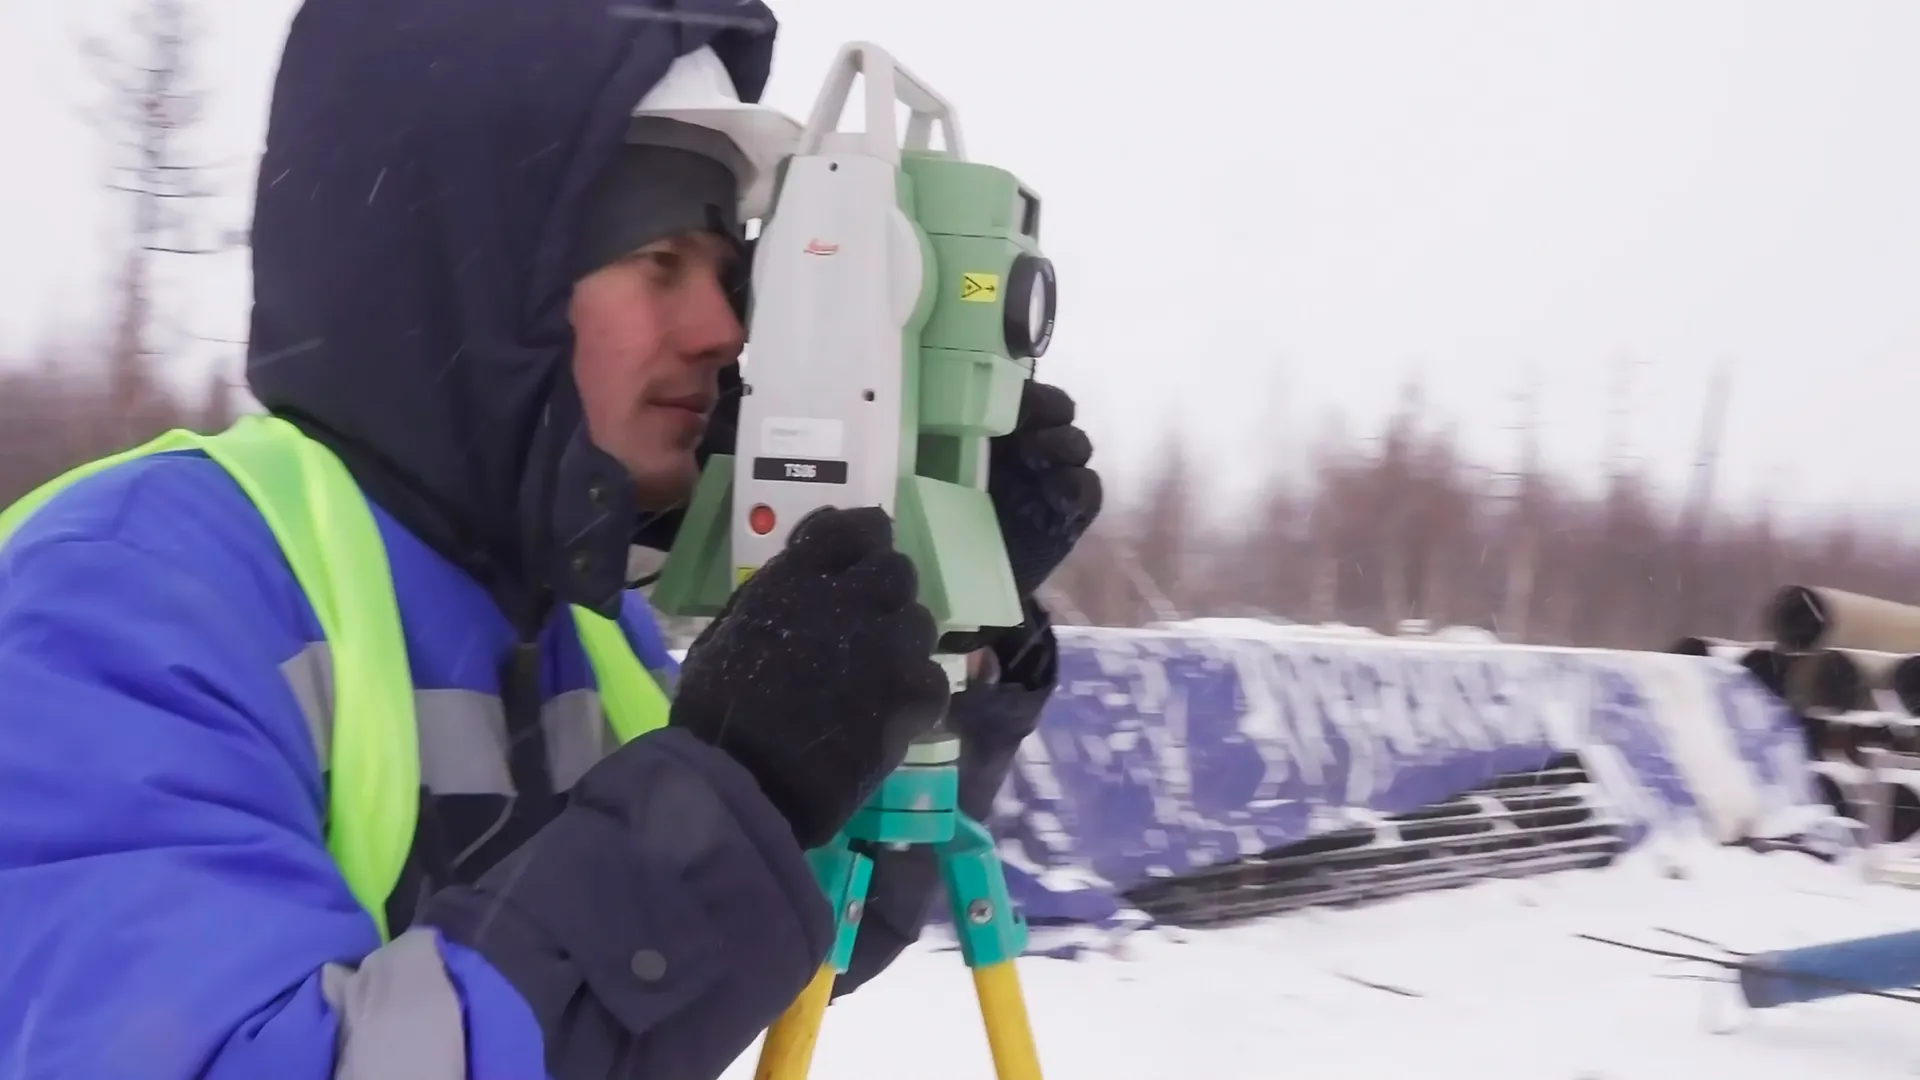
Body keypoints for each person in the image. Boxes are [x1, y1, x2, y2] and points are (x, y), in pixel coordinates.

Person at [0, 1, 1102, 1077]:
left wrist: (942, 629)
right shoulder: (123, 602)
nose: (723, 329)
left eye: (726, 273)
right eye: (657, 262)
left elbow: (795, 936)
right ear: (475, 277)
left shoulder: (590, 623)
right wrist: (728, 790)